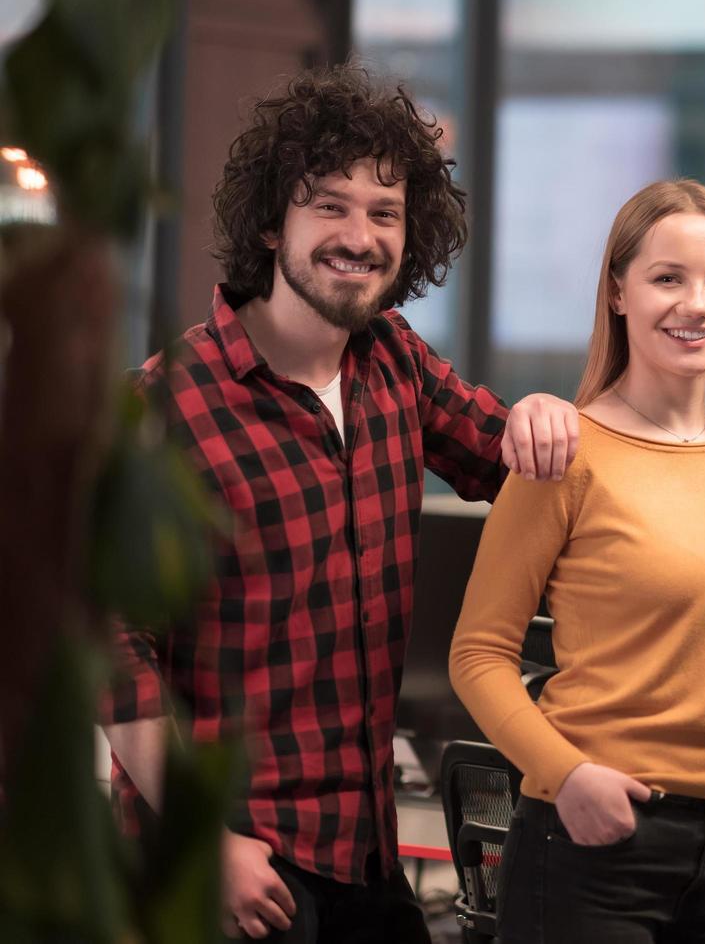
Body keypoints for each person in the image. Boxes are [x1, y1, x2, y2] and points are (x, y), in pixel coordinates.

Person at [99, 65, 579, 943]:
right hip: (234, 866)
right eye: (330, 204)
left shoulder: (391, 360)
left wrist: (548, 416)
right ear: (272, 217)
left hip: (363, 854)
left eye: (385, 213)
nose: (359, 235)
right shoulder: (162, 404)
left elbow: (520, 462)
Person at [449, 179, 705, 944]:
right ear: (618, 293)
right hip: (595, 839)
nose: (698, 303)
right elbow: (478, 654)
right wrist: (568, 776)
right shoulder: (564, 454)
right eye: (668, 278)